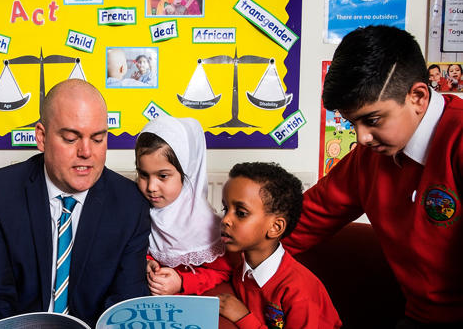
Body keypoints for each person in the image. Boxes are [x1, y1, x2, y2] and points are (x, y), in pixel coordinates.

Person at [282, 25, 463, 327]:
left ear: (418, 97)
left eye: (373, 120)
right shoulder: (367, 158)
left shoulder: (458, 139)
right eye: (353, 123)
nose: (362, 138)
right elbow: (300, 222)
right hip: (417, 317)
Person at [0, 79, 151, 327]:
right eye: (70, 138)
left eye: (97, 139)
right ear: (42, 137)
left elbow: (126, 304)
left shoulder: (130, 203)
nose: (86, 152)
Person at [219, 162, 341, 328]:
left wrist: (243, 317)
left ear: (275, 227)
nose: (225, 219)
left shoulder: (300, 291)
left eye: (241, 213)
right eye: (225, 209)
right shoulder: (238, 269)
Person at [136, 116, 229, 296]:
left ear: (188, 172)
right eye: (143, 175)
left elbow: (223, 272)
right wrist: (147, 263)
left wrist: (182, 282)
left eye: (163, 176)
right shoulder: (139, 210)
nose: (151, 187)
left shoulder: (210, 226)